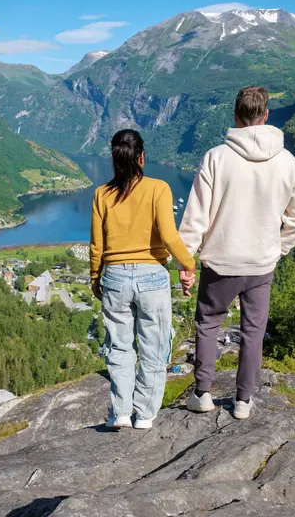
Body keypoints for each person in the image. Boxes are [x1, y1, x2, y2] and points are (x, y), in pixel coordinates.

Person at [179, 86, 295, 419]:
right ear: (265, 116)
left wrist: (186, 259)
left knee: (208, 324)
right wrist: (278, 249)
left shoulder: (216, 158)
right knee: (253, 332)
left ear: (235, 117)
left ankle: (203, 394)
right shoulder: (288, 162)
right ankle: (243, 401)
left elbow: (196, 215)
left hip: (220, 262)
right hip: (261, 265)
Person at [90, 129, 196, 430]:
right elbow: (168, 234)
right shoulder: (158, 188)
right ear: (142, 157)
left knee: (119, 347)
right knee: (154, 347)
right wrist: (188, 264)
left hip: (114, 277)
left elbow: (97, 245)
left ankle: (121, 413)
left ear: (115, 158)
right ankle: (145, 415)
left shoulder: (101, 194)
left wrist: (96, 278)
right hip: (152, 278)